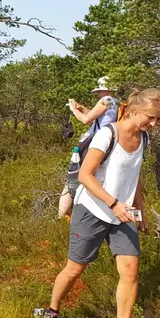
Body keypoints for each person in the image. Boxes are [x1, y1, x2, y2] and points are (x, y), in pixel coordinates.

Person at [35, 88, 160, 318]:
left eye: (158, 119)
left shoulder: (144, 139)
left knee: (130, 270)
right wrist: (113, 203)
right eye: (151, 117)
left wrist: (140, 210)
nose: (154, 123)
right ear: (135, 110)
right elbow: (85, 176)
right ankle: (51, 311)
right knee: (75, 268)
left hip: (123, 212)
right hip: (92, 209)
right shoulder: (108, 135)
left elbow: (135, 177)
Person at [58, 77, 121, 217]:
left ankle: (61, 216)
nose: (99, 94)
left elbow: (86, 120)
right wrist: (81, 108)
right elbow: (97, 116)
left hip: (93, 141)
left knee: (74, 177)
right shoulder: (115, 102)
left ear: (103, 90)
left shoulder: (105, 100)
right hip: (107, 141)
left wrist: (74, 110)